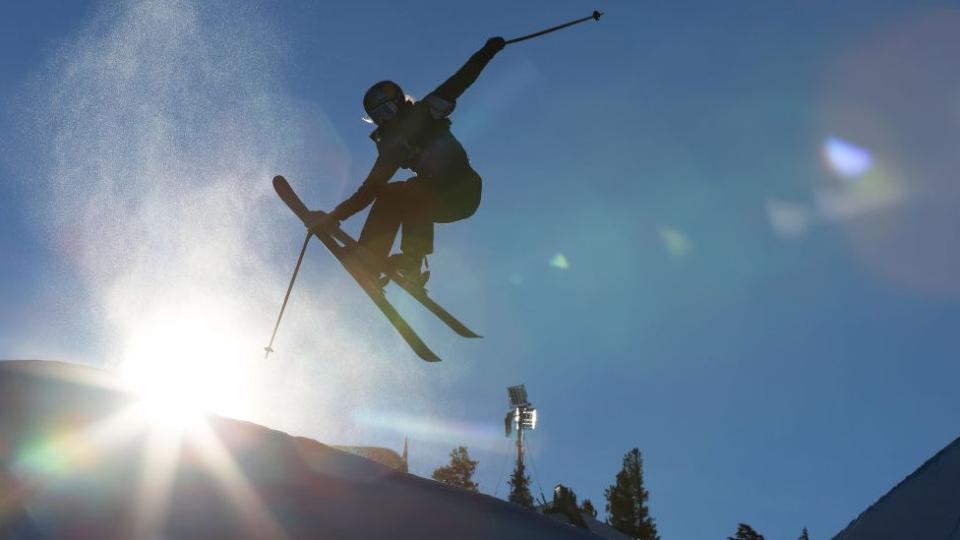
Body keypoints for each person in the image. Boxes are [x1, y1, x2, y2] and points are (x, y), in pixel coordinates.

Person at [307, 37, 506, 287]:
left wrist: (487, 52)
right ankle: (370, 259)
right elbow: (369, 190)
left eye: (387, 111)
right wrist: (335, 217)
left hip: (463, 191)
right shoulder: (392, 150)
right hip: (433, 197)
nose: (385, 120)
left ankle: (412, 262)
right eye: (378, 117)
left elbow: (460, 80)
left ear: (399, 103)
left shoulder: (425, 112)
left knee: (412, 189)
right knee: (389, 193)